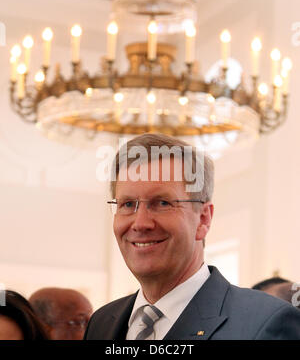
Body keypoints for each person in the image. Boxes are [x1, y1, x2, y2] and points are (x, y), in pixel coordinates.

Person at [84, 133, 300, 340]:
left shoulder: (265, 322)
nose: (140, 223)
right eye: (128, 204)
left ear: (203, 219)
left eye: (162, 203)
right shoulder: (101, 323)